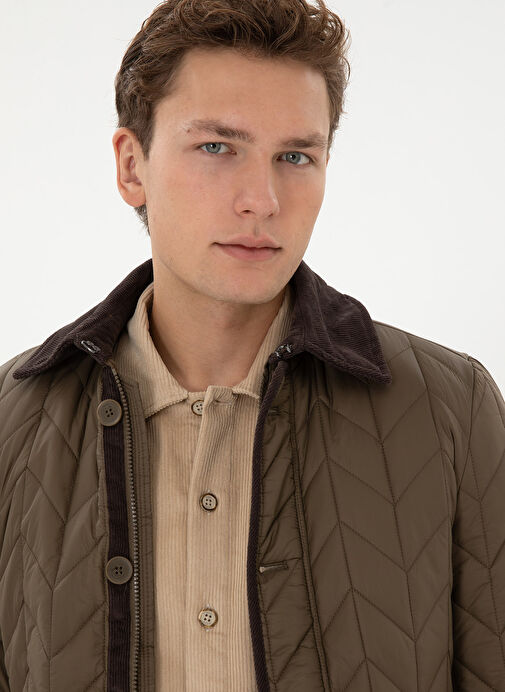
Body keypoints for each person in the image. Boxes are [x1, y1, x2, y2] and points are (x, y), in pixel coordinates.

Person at [0, 0, 503, 690]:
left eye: (295, 156)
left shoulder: (452, 408)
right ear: (131, 167)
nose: (262, 199)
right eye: (217, 147)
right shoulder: (13, 423)